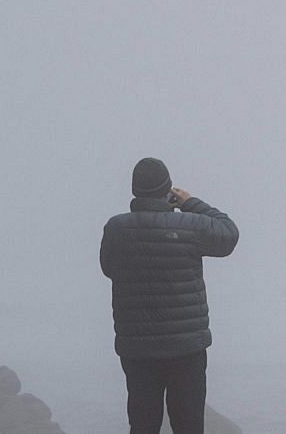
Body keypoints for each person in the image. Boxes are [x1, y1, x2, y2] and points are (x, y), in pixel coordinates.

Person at [100, 157, 238, 433]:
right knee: (188, 426)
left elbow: (109, 268)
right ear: (167, 190)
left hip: (137, 349)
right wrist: (189, 202)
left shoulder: (116, 228)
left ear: (135, 190)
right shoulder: (191, 226)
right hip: (186, 348)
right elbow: (228, 235)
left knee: (143, 424)